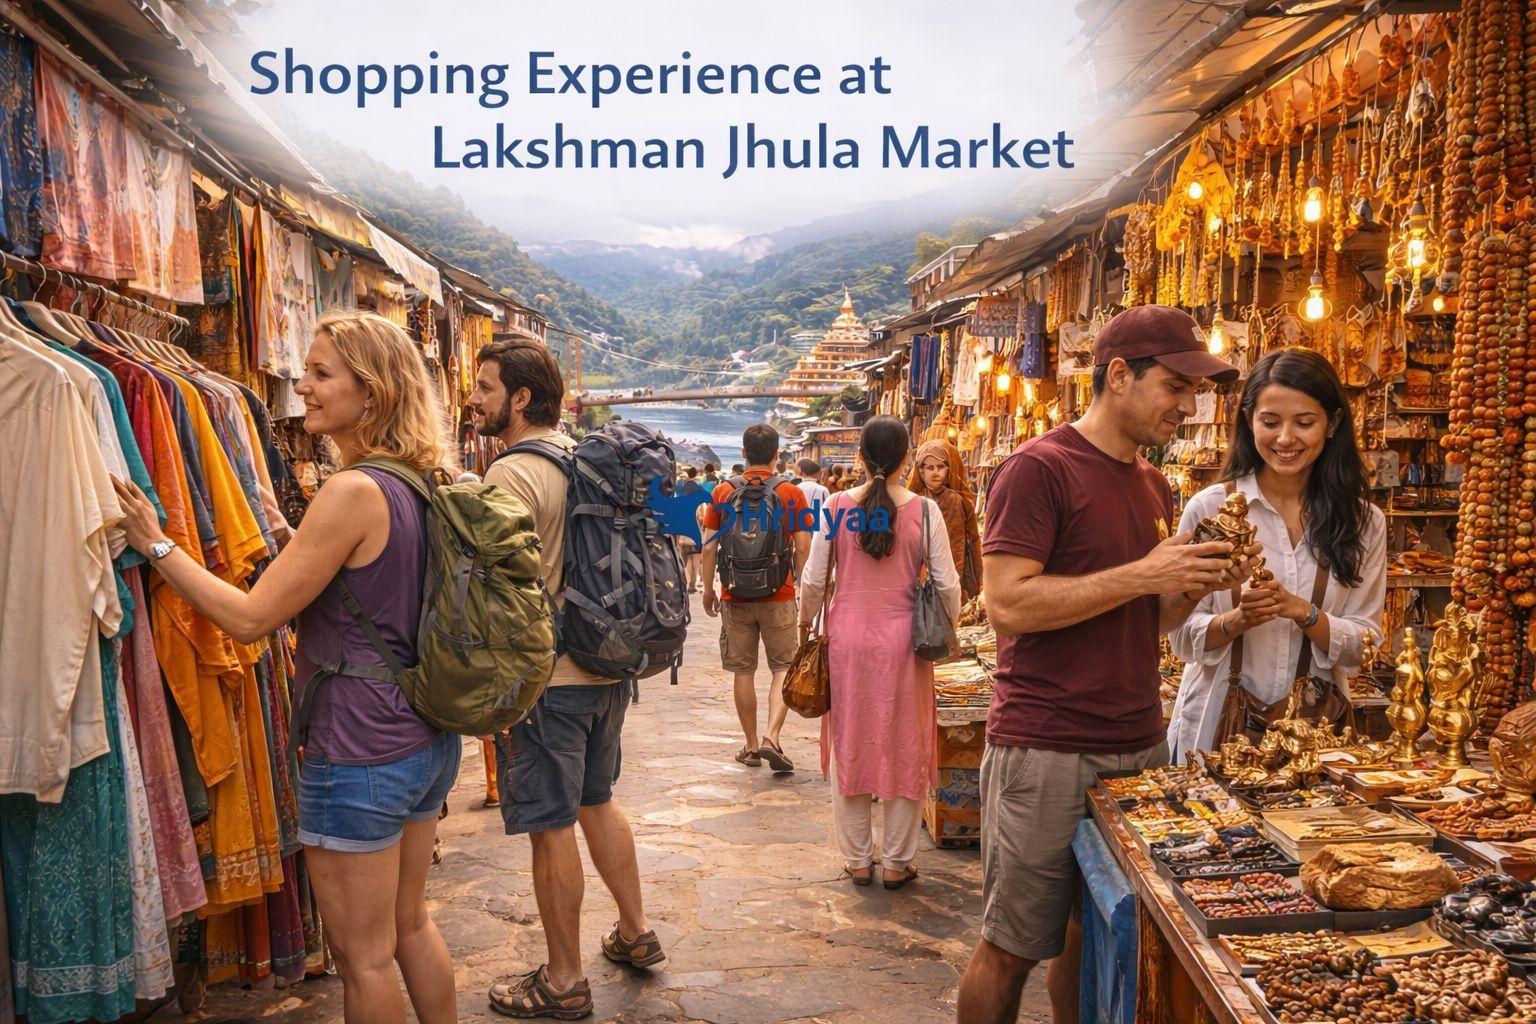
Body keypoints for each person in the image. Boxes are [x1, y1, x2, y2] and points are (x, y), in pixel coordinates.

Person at [111, 310, 460, 1024]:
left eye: (321, 373)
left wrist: (156, 544)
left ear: (374, 393)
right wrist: (288, 536)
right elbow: (370, 585)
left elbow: (248, 618)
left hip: (358, 750)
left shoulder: (353, 492)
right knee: (411, 926)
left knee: (363, 959)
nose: (301, 386)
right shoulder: (419, 482)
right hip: (423, 739)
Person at [956, 305, 1257, 1024]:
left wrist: (1195, 584)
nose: (1190, 407)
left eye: (1196, 392)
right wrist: (1144, 574)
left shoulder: (1154, 487)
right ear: (1119, 375)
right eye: (1177, 387)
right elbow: (1009, 604)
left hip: (1138, 743)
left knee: (1091, 939)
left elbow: (1147, 619)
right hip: (1047, 745)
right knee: (1012, 945)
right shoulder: (1038, 468)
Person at [469, 340, 662, 1020]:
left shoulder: (510, 476)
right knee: (597, 800)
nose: (476, 399)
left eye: (486, 388)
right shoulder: (585, 460)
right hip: (607, 669)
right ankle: (636, 932)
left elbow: (494, 593)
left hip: (545, 682)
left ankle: (562, 980)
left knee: (552, 826)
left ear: (521, 398)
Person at [1167, 348, 1386, 760]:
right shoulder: (1210, 509)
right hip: (1216, 726)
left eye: (1304, 423)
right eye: (1270, 422)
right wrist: (1238, 620)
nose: (1286, 439)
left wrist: (1305, 613)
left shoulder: (1363, 522)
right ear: (1249, 422)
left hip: (1318, 735)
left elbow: (1367, 642)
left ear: (1333, 424)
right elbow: (1179, 636)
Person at [799, 417, 960, 889]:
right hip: (905, 645)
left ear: (861, 458)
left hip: (846, 641)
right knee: (906, 742)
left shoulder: (835, 505)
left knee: (850, 741)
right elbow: (948, 585)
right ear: (907, 458)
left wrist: (808, 620)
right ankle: (896, 861)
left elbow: (813, 580)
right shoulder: (926, 511)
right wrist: (946, 628)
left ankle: (857, 861)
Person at [702, 424, 810, 772]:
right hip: (780, 592)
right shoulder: (791, 494)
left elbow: (709, 547)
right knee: (783, 668)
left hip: (735, 594)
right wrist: (800, 582)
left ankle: (750, 746)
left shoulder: (722, 491)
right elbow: (804, 545)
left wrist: (707, 588)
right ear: (778, 456)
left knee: (743, 670)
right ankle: (772, 737)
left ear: (743, 453)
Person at [905, 439, 984, 600]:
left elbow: (958, 549)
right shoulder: (915, 500)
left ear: (950, 469)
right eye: (929, 468)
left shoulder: (954, 501)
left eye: (940, 467)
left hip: (945, 584)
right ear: (920, 471)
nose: (935, 473)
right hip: (923, 582)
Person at [677, 467, 703, 592]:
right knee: (696, 558)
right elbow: (702, 518)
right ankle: (692, 583)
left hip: (683, 533)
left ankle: (687, 583)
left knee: (685, 558)